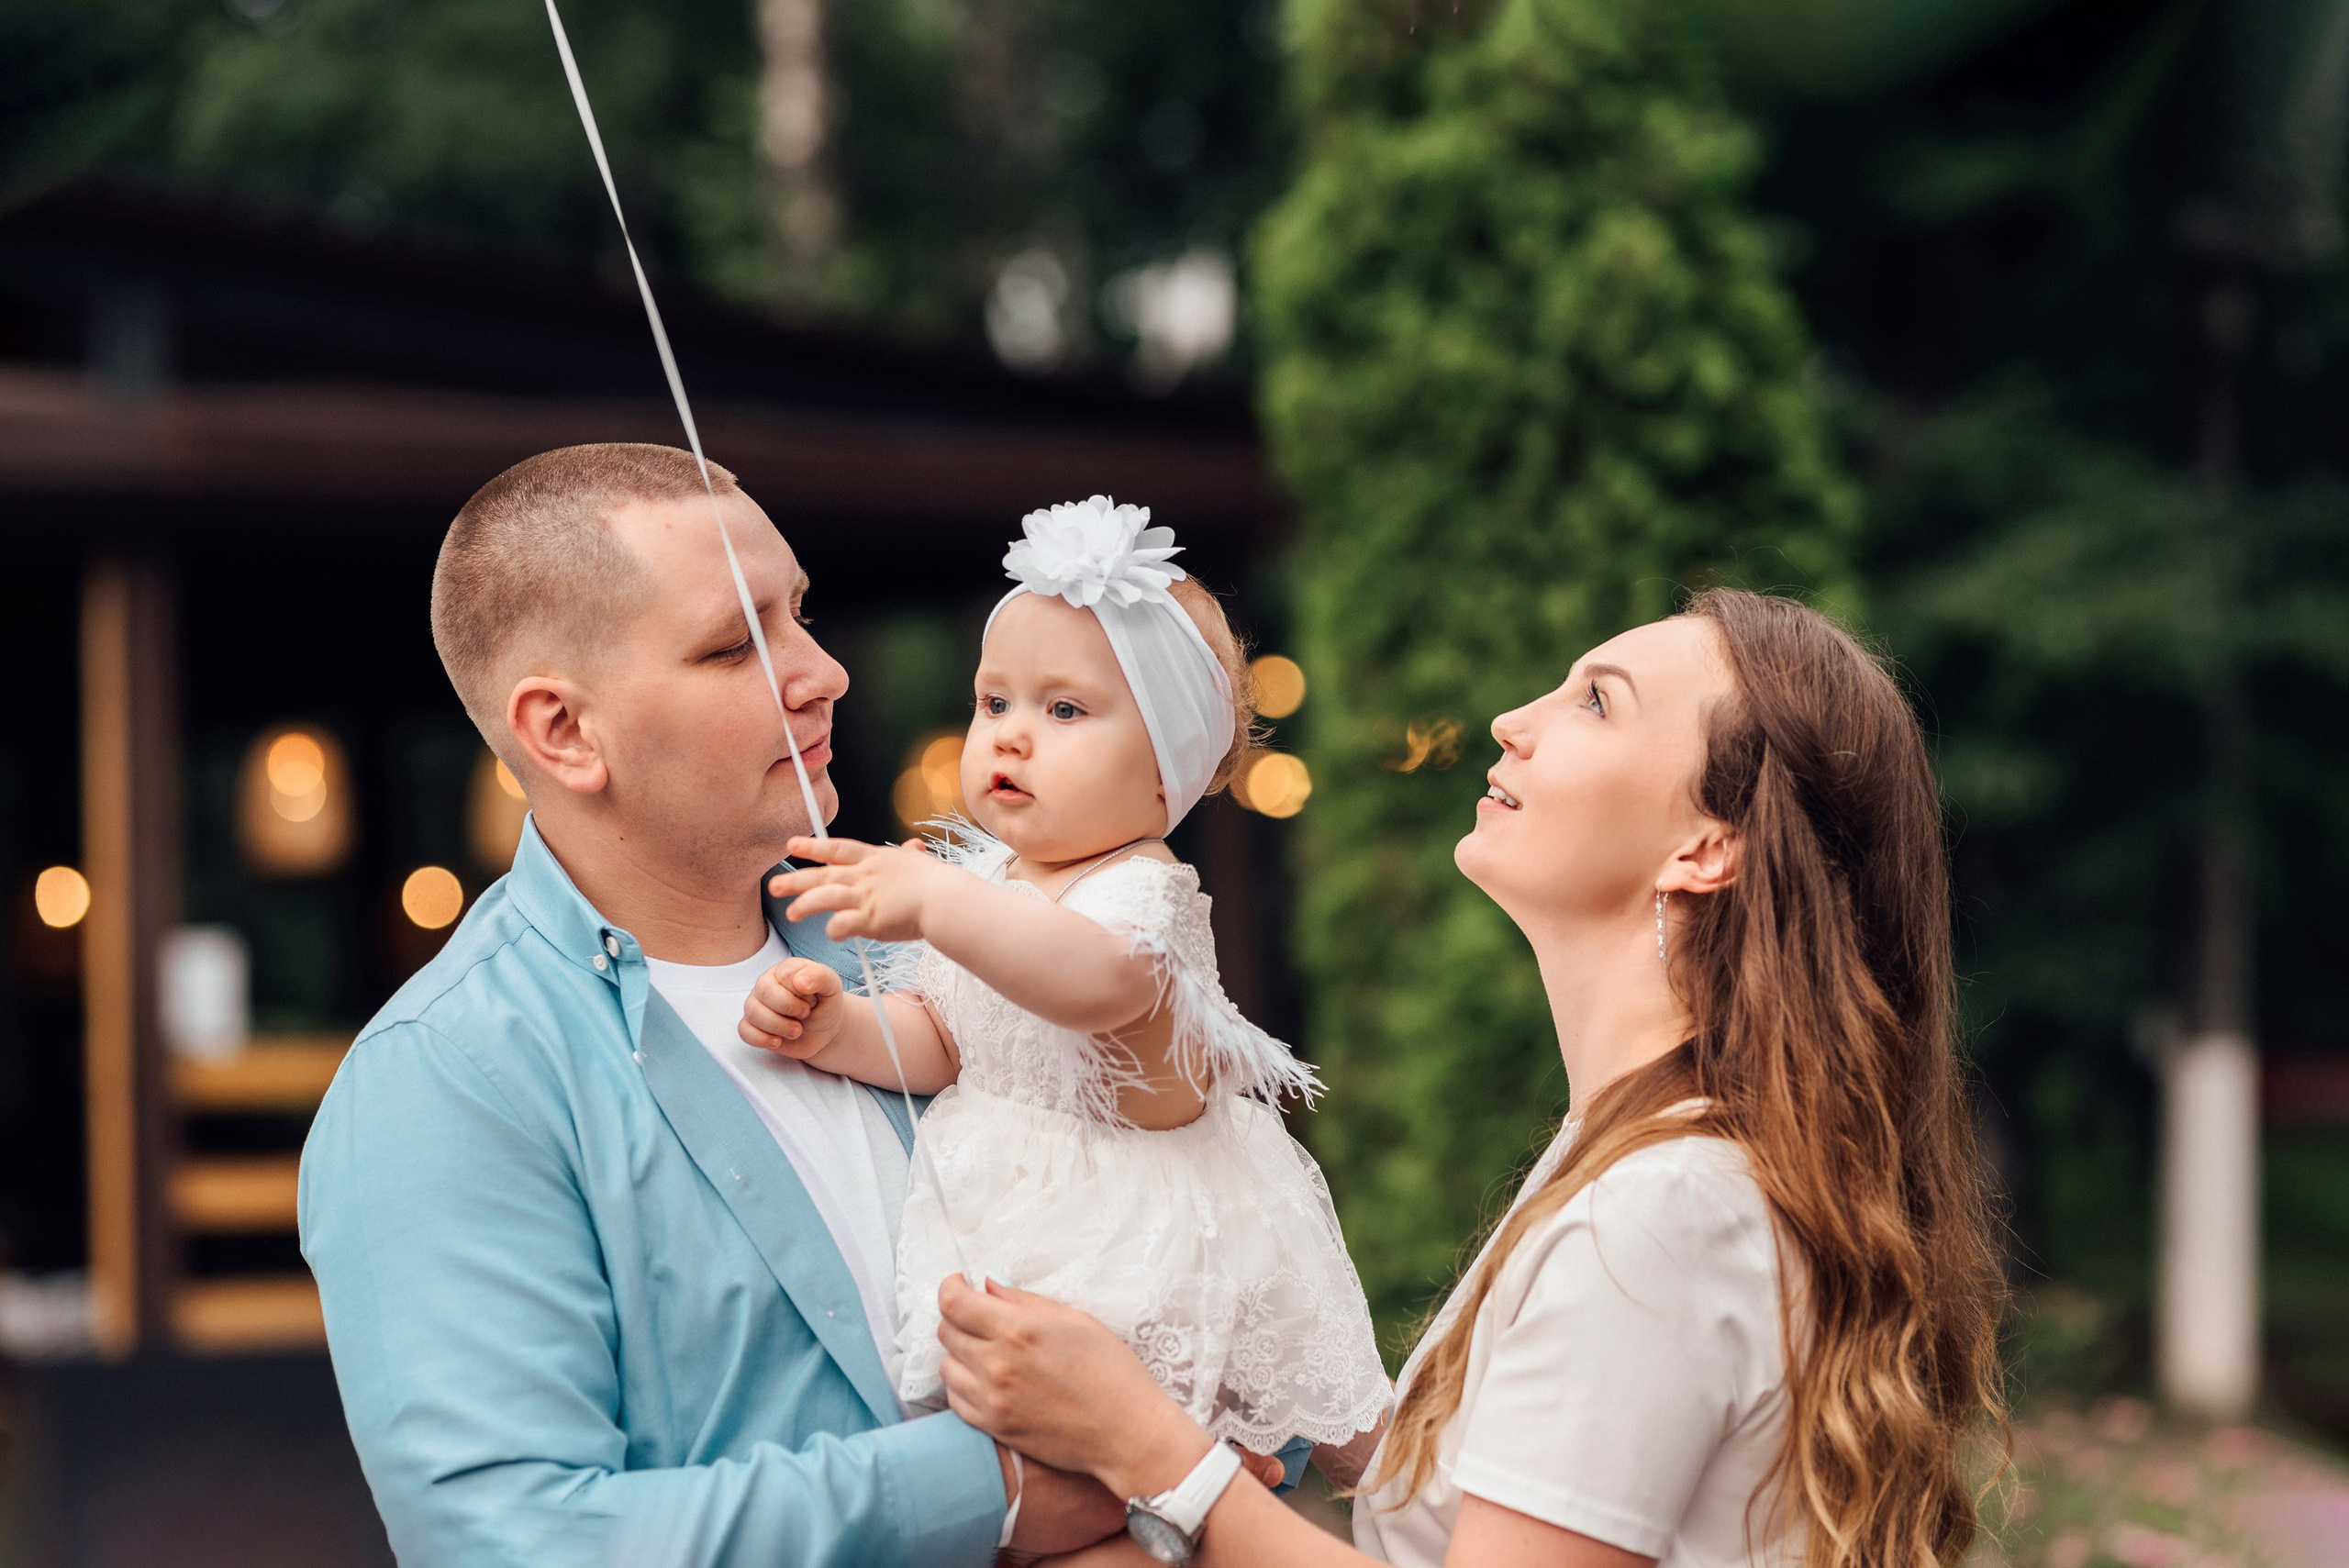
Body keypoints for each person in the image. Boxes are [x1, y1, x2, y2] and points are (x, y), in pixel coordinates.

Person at [925, 589, 2008, 1568]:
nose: (1511, 719)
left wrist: (1147, 1445)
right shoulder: (1632, 1154)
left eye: (1595, 701)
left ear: (1705, 848)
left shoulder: (1664, 1208)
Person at [297, 443, 1129, 1565]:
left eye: (799, 614)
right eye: (735, 644)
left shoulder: (929, 941)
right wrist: (993, 1487)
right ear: (564, 732)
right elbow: (506, 1540)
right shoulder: (449, 1077)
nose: (821, 671)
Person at [740, 496, 1390, 1468]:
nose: (1009, 735)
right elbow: (951, 1041)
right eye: (992, 701)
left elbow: (1090, 981)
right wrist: (841, 1029)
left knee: (1247, 1458)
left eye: (1065, 709)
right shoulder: (981, 881)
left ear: (1166, 771)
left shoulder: (1142, 891)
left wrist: (931, 903)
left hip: (1151, 1240)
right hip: (1023, 1222)